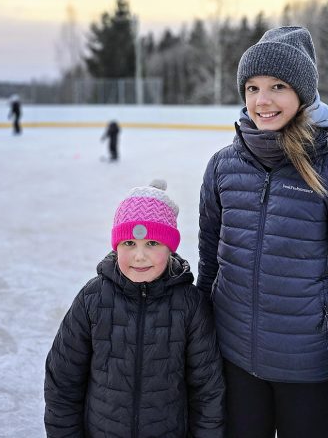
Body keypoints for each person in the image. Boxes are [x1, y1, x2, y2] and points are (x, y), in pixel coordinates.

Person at [198, 26, 328, 438]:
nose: (262, 101)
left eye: (278, 86)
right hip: (233, 365)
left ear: (304, 92)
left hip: (307, 374)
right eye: (252, 87)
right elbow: (210, 271)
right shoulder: (222, 168)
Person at [44, 180, 225, 438]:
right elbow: (62, 382)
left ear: (170, 248)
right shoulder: (93, 298)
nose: (140, 256)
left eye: (152, 243)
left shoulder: (189, 304)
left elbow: (207, 391)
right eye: (129, 243)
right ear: (115, 245)